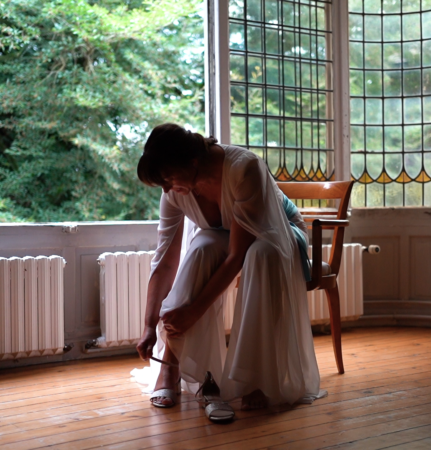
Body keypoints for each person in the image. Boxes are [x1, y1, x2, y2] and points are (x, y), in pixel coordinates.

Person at [132, 123, 325, 422]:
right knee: (201, 248)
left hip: (278, 230)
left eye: (168, 178)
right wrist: (148, 325)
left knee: (263, 255)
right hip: (228, 233)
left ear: (192, 161)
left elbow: (238, 255)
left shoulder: (243, 168)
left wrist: (193, 311)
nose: (167, 189)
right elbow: (165, 261)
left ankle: (255, 378)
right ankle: (172, 365)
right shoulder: (174, 191)